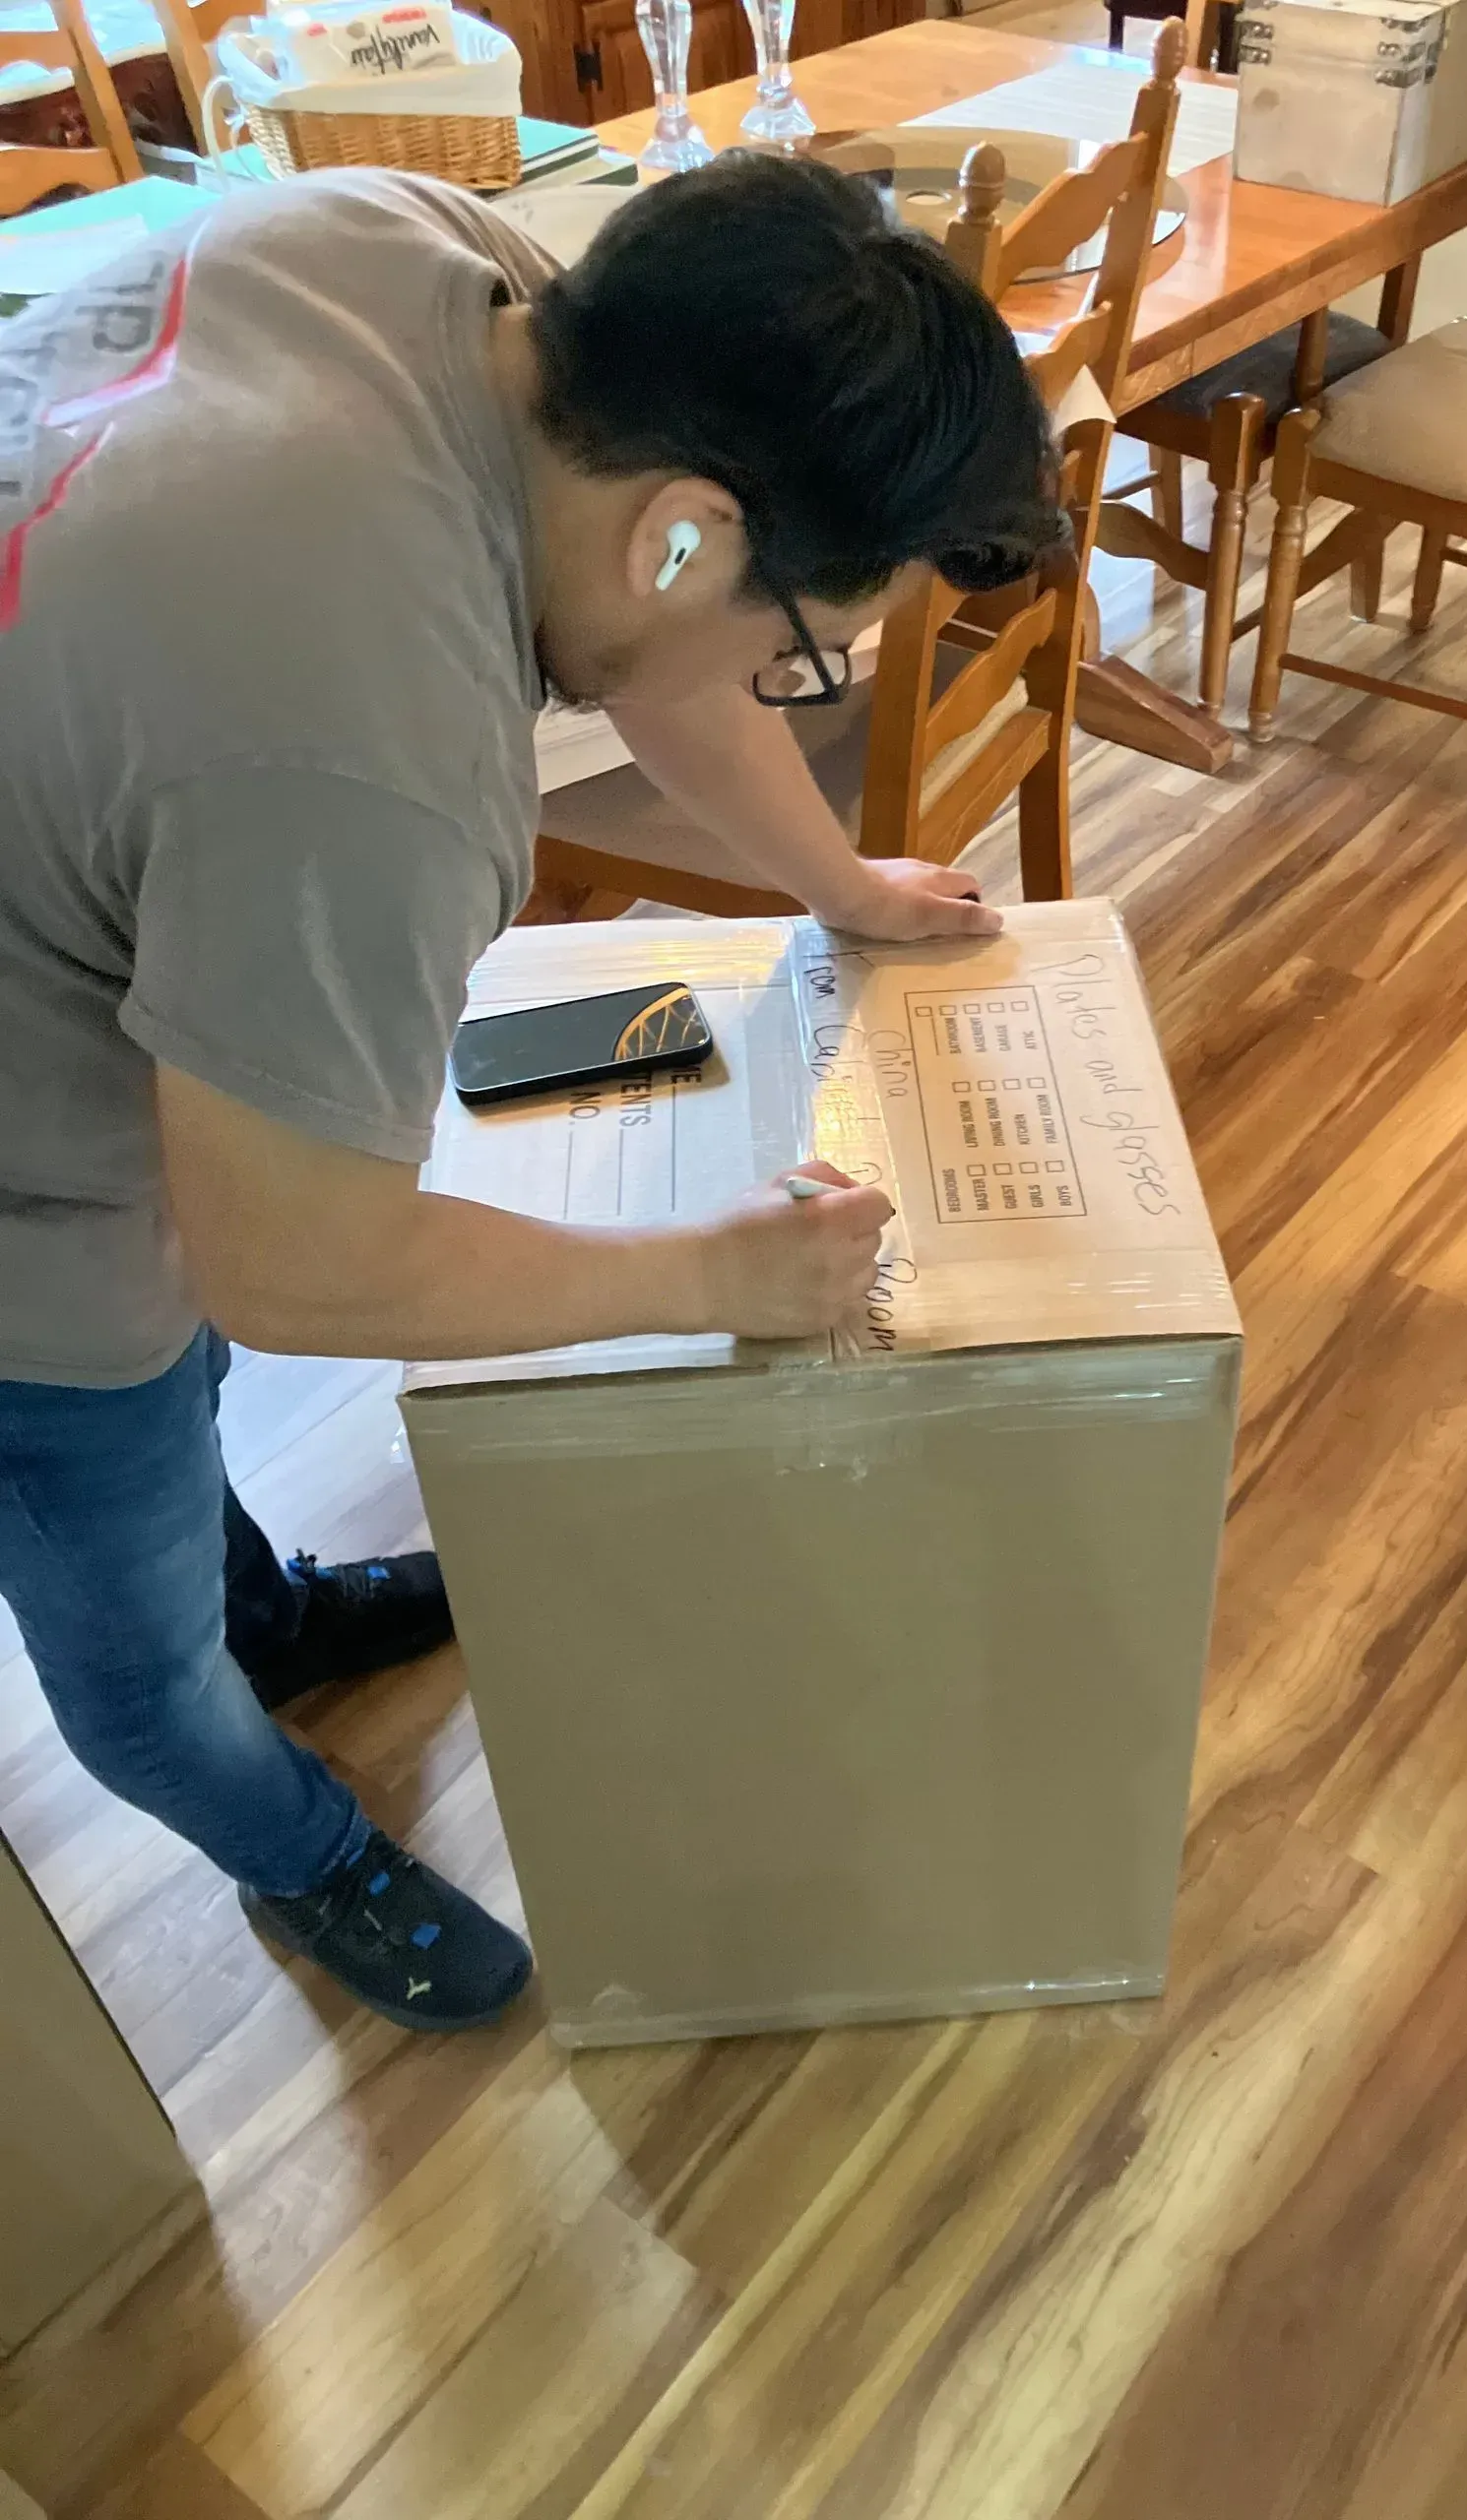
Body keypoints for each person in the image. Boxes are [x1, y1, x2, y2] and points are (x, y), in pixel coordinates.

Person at [0, 156, 1061, 2034]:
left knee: (184, 1406)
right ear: (683, 534)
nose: (787, 685)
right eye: (801, 652)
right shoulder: (358, 747)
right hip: (28, 1210)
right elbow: (296, 1267)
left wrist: (844, 887)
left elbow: (663, 649)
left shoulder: (422, 261)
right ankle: (306, 1850)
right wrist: (710, 1283)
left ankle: (271, 1612)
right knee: (127, 1635)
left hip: (77, 879)